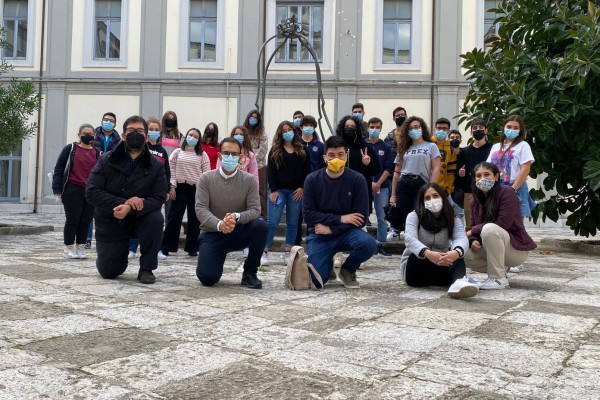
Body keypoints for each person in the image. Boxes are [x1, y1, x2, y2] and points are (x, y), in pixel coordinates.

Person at [86, 115, 168, 284]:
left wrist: (131, 207)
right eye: (130, 131)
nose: (135, 134)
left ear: (146, 137)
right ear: (123, 135)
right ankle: (110, 255)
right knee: (109, 272)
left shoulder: (156, 166)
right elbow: (91, 191)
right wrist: (122, 203)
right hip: (111, 218)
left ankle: (147, 268)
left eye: (139, 131)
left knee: (156, 218)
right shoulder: (106, 160)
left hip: (140, 217)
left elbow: (159, 196)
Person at [302, 135, 377, 289]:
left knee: (368, 244)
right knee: (316, 282)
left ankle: (348, 270)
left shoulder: (358, 179)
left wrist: (331, 228)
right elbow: (308, 215)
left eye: (340, 155)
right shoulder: (312, 180)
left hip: (346, 234)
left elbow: (360, 218)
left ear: (346, 156)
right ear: (324, 157)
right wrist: (342, 218)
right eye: (331, 155)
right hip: (320, 235)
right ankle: (327, 266)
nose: (336, 158)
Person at [195, 137, 268, 289]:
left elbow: (255, 210)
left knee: (261, 226)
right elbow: (201, 209)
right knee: (207, 278)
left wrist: (236, 216)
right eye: (226, 153)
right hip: (213, 233)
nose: (230, 157)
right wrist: (220, 224)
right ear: (220, 155)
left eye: (234, 154)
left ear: (241, 157)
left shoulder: (249, 180)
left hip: (238, 231)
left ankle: (250, 272)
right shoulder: (206, 179)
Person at [465, 162, 537, 289]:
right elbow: (472, 226)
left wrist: (472, 232)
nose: (482, 179)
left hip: (515, 249)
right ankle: (501, 269)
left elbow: (503, 223)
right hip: (493, 250)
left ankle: (498, 279)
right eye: (478, 175)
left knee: (490, 228)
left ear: (496, 177)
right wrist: (473, 240)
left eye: (487, 174)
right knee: (459, 252)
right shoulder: (474, 201)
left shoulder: (507, 192)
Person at [401, 183, 478, 299]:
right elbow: (410, 239)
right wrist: (428, 253)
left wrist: (455, 252)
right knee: (414, 256)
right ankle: (459, 280)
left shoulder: (452, 218)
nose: (432, 200)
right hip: (416, 271)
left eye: (436, 196)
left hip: (442, 264)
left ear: (442, 197)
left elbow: (461, 238)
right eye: (427, 198)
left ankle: (458, 284)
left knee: (458, 258)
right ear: (422, 201)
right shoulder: (414, 216)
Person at [262, 121, 310, 266]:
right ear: (280, 133)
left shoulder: (302, 150)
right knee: (272, 222)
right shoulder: (275, 149)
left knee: (293, 222)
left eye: (289, 130)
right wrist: (273, 190)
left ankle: (288, 252)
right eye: (284, 130)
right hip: (279, 191)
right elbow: (270, 170)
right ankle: (264, 251)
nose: (287, 132)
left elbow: (306, 171)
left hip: (295, 192)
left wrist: (302, 188)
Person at [159, 128, 211, 259]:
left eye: (195, 136)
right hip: (179, 188)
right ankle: (166, 247)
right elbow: (171, 170)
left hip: (196, 189)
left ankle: (193, 248)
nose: (192, 138)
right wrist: (172, 187)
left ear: (199, 140)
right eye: (190, 135)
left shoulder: (202, 154)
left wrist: (204, 192)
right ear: (186, 136)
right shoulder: (177, 152)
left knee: (195, 219)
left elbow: (207, 174)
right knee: (174, 218)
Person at [52, 123, 101, 259]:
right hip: (72, 189)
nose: (88, 136)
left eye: (90, 133)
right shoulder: (71, 148)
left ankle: (80, 247)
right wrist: (57, 188)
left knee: (86, 220)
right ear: (79, 135)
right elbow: (59, 167)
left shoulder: (97, 152)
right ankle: (68, 247)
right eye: (84, 133)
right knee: (73, 219)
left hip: (90, 190)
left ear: (95, 135)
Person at [389, 116, 441, 238]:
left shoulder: (431, 146)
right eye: (411, 128)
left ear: (422, 128)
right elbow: (396, 172)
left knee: (421, 214)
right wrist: (393, 195)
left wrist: (431, 187)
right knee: (407, 217)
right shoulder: (403, 148)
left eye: (417, 127)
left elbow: (436, 168)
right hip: (404, 183)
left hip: (422, 183)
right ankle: (409, 247)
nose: (414, 130)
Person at [128, 117, 170, 259]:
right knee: (134, 218)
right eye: (150, 129)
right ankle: (132, 248)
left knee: (155, 220)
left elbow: (166, 171)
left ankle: (155, 249)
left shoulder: (162, 151)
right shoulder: (141, 149)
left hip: (155, 192)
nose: (153, 132)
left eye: (156, 130)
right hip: (138, 191)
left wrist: (168, 189)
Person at [88, 112, 121, 249]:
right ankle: (87, 238)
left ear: (115, 124)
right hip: (94, 173)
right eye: (106, 120)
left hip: (110, 176)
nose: (108, 122)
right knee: (90, 207)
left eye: (111, 121)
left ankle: (108, 237)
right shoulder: (93, 136)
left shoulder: (118, 139)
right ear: (101, 121)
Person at [338, 115, 380, 221]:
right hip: (339, 189)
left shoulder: (365, 147)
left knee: (359, 223)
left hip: (359, 190)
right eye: (347, 126)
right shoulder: (337, 146)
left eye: (352, 126)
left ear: (358, 128)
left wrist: (368, 164)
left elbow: (376, 170)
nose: (349, 128)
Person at [455, 119, 493, 231]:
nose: (478, 130)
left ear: (486, 131)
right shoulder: (465, 152)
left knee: (489, 221)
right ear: (471, 132)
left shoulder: (493, 149)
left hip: (489, 191)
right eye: (475, 128)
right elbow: (458, 172)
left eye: (481, 128)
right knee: (470, 224)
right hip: (470, 192)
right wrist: (460, 173)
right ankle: (470, 244)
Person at [294, 115, 325, 246]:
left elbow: (324, 165)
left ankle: (311, 243)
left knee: (312, 216)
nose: (308, 128)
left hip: (315, 186)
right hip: (298, 187)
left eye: (311, 126)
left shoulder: (320, 145)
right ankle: (296, 244)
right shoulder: (296, 145)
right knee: (296, 217)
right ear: (301, 127)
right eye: (305, 125)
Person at [365, 117, 394, 256]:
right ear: (367, 128)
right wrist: (370, 183)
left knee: (382, 217)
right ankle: (363, 243)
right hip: (364, 186)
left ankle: (381, 244)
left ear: (381, 128)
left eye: (377, 127)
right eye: (372, 126)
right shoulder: (363, 146)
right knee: (362, 215)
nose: (374, 129)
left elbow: (389, 167)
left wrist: (378, 183)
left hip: (381, 187)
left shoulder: (386, 146)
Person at [243, 110, 269, 219]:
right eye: (251, 117)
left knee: (260, 191)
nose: (253, 119)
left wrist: (251, 159)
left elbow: (263, 149)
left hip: (259, 166)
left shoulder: (262, 134)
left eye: (255, 118)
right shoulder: (243, 132)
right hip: (243, 165)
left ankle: (261, 215)